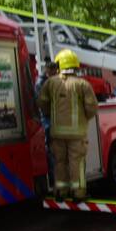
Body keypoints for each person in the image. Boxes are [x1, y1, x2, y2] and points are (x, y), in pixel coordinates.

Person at [38, 49, 98, 200]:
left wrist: (51, 116)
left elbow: (42, 103)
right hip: (77, 133)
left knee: (60, 162)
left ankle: (61, 192)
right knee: (76, 163)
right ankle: (78, 194)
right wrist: (83, 119)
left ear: (59, 65)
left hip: (57, 132)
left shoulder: (50, 83)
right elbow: (92, 108)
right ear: (75, 66)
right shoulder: (82, 84)